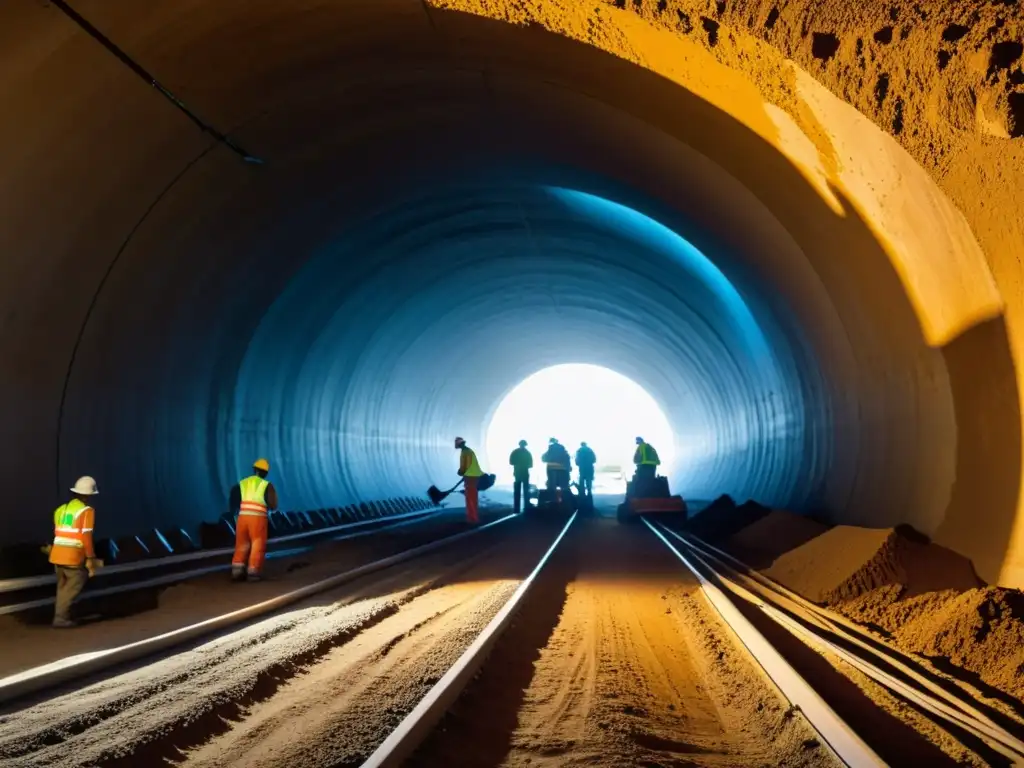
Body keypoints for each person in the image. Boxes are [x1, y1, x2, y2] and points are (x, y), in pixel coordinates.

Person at [48, 476, 101, 628]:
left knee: (63, 587)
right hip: (73, 556)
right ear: (88, 495)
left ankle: (64, 615)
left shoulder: (61, 510)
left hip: (57, 554)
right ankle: (61, 618)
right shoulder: (86, 511)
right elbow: (86, 536)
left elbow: (59, 532)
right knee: (75, 584)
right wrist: (90, 557)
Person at [230, 458, 279, 582]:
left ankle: (237, 571)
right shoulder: (267, 485)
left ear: (254, 470)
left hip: (242, 518)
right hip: (258, 519)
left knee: (242, 544)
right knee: (257, 544)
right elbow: (273, 505)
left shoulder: (243, 483)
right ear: (266, 473)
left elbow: (233, 497)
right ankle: (253, 571)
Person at [455, 437, 484, 524]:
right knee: (471, 496)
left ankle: (473, 518)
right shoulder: (467, 450)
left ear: (459, 444)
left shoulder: (465, 452)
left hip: (471, 476)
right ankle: (472, 517)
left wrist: (461, 471)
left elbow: (466, 464)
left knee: (470, 496)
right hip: (473, 475)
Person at [509, 439, 533, 514]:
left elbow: (511, 462)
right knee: (526, 491)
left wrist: (518, 464)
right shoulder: (527, 453)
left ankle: (516, 508)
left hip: (517, 473)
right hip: (525, 473)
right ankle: (527, 507)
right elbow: (531, 465)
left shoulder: (515, 452)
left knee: (517, 491)